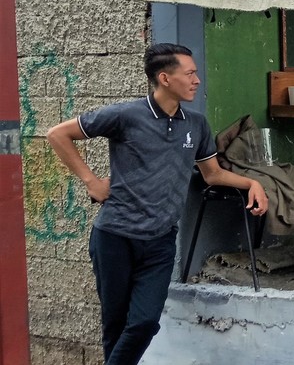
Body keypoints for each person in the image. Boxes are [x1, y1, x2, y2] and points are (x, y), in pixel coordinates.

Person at [46, 44, 268, 365]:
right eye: (189, 74)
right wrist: (91, 181)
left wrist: (252, 183)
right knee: (115, 324)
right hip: (115, 237)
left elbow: (213, 174)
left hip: (160, 242)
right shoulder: (125, 115)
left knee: (145, 322)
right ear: (165, 78)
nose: (196, 80)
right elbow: (58, 134)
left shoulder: (196, 124)